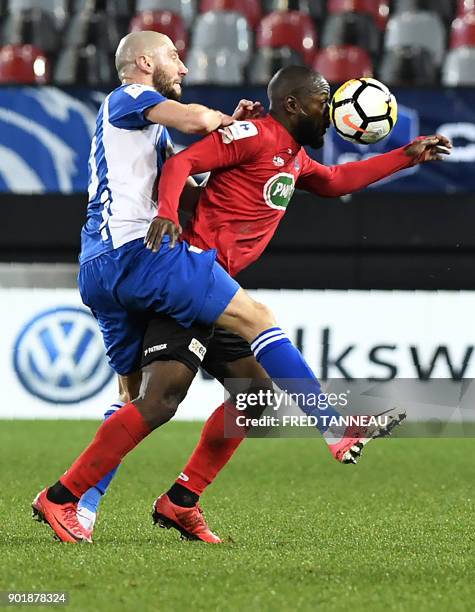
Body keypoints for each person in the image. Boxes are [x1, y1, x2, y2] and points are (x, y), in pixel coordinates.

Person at [32, 61, 451, 544]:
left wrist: (406, 155)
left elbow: (335, 181)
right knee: (161, 395)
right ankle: (72, 498)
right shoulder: (254, 134)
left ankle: (180, 501)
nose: (331, 108)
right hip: (188, 275)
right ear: (293, 104)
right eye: (323, 100)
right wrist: (167, 214)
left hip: (213, 286)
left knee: (253, 399)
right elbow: (180, 163)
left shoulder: (292, 154)